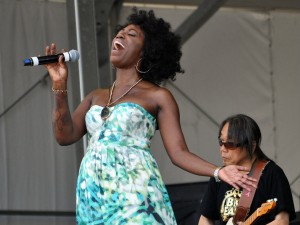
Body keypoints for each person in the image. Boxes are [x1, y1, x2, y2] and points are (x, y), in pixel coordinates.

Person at [45, 8, 255, 225]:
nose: (120, 35)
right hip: (93, 194)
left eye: (131, 34)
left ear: (145, 52)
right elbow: (64, 136)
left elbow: (179, 153)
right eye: (120, 32)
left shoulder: (157, 96)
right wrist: (59, 85)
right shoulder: (95, 96)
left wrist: (219, 172)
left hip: (135, 192)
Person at [198, 114, 296, 225]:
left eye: (230, 143)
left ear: (251, 145)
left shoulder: (272, 174)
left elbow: (282, 221)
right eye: (221, 142)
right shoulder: (220, 176)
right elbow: (205, 218)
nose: (222, 149)